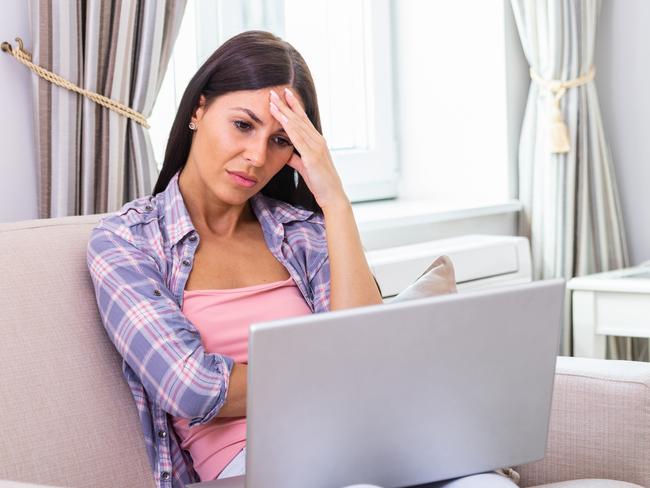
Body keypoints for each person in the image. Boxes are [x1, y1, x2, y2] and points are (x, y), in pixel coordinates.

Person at [87, 30, 517, 488]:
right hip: (255, 465)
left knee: (487, 484)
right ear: (199, 109)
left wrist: (335, 200)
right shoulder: (127, 242)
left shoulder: (301, 230)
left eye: (280, 140)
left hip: (368, 436)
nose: (256, 156)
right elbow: (192, 389)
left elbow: (369, 344)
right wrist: (337, 367)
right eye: (243, 125)